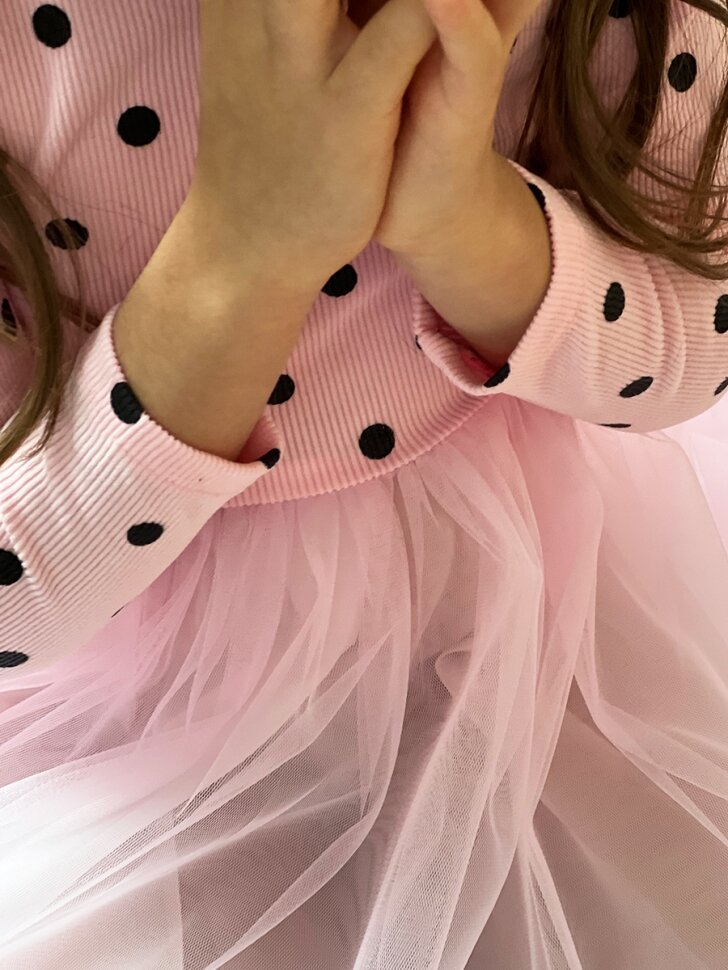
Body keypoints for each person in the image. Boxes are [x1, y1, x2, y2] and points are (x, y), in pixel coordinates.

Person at [0, 0, 727, 966]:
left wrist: (464, 219)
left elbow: (697, 321)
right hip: (130, 691)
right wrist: (243, 251)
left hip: (539, 607)